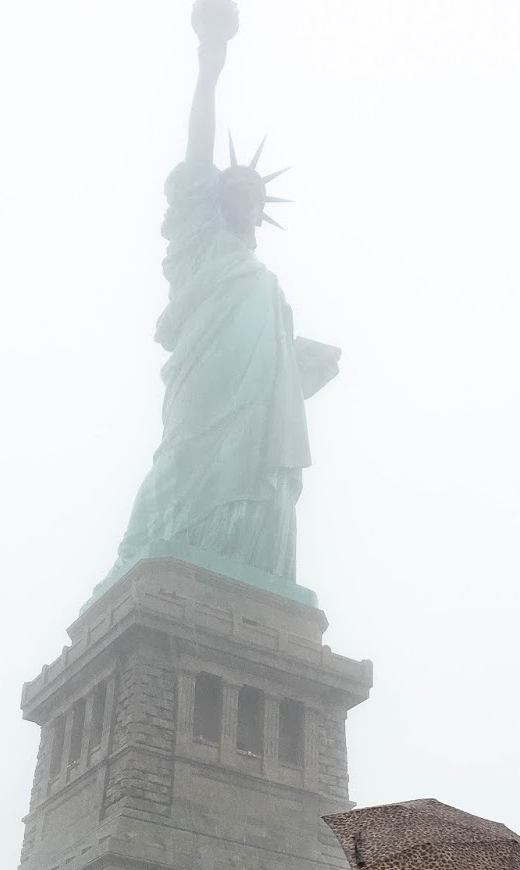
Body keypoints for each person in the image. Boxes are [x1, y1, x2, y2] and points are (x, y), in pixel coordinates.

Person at [100, 0, 341, 594]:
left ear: (260, 212)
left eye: (253, 194)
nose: (244, 197)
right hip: (203, 386)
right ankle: (146, 555)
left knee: (257, 483)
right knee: (179, 458)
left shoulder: (265, 283)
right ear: (211, 200)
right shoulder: (200, 245)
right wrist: (211, 62)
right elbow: (200, 147)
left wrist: (300, 359)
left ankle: (248, 570)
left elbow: (276, 357)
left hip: (255, 411)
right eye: (232, 188)